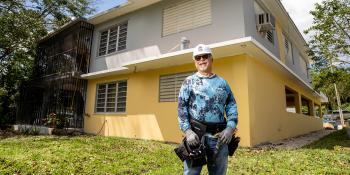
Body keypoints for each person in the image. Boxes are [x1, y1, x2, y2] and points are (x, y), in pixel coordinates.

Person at [178, 44, 238, 175]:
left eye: (205, 56)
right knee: (191, 173)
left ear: (211, 59)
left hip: (219, 137)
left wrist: (230, 128)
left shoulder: (223, 83)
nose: (201, 60)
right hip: (195, 137)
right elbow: (182, 108)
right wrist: (187, 131)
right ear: (195, 62)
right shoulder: (188, 82)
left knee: (218, 173)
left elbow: (231, 105)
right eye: (198, 58)